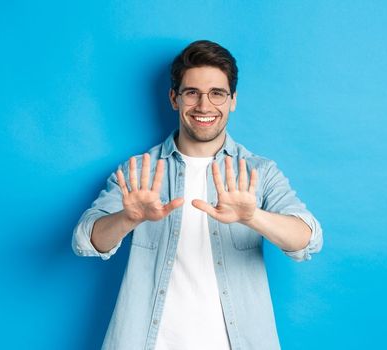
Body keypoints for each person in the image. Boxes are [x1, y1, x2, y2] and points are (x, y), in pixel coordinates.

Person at [72, 40, 323, 350]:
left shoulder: (259, 171)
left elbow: (307, 237)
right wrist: (129, 217)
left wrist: (252, 216)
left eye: (217, 93)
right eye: (192, 93)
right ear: (174, 99)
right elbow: (86, 240)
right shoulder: (141, 171)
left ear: (233, 100)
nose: (204, 106)